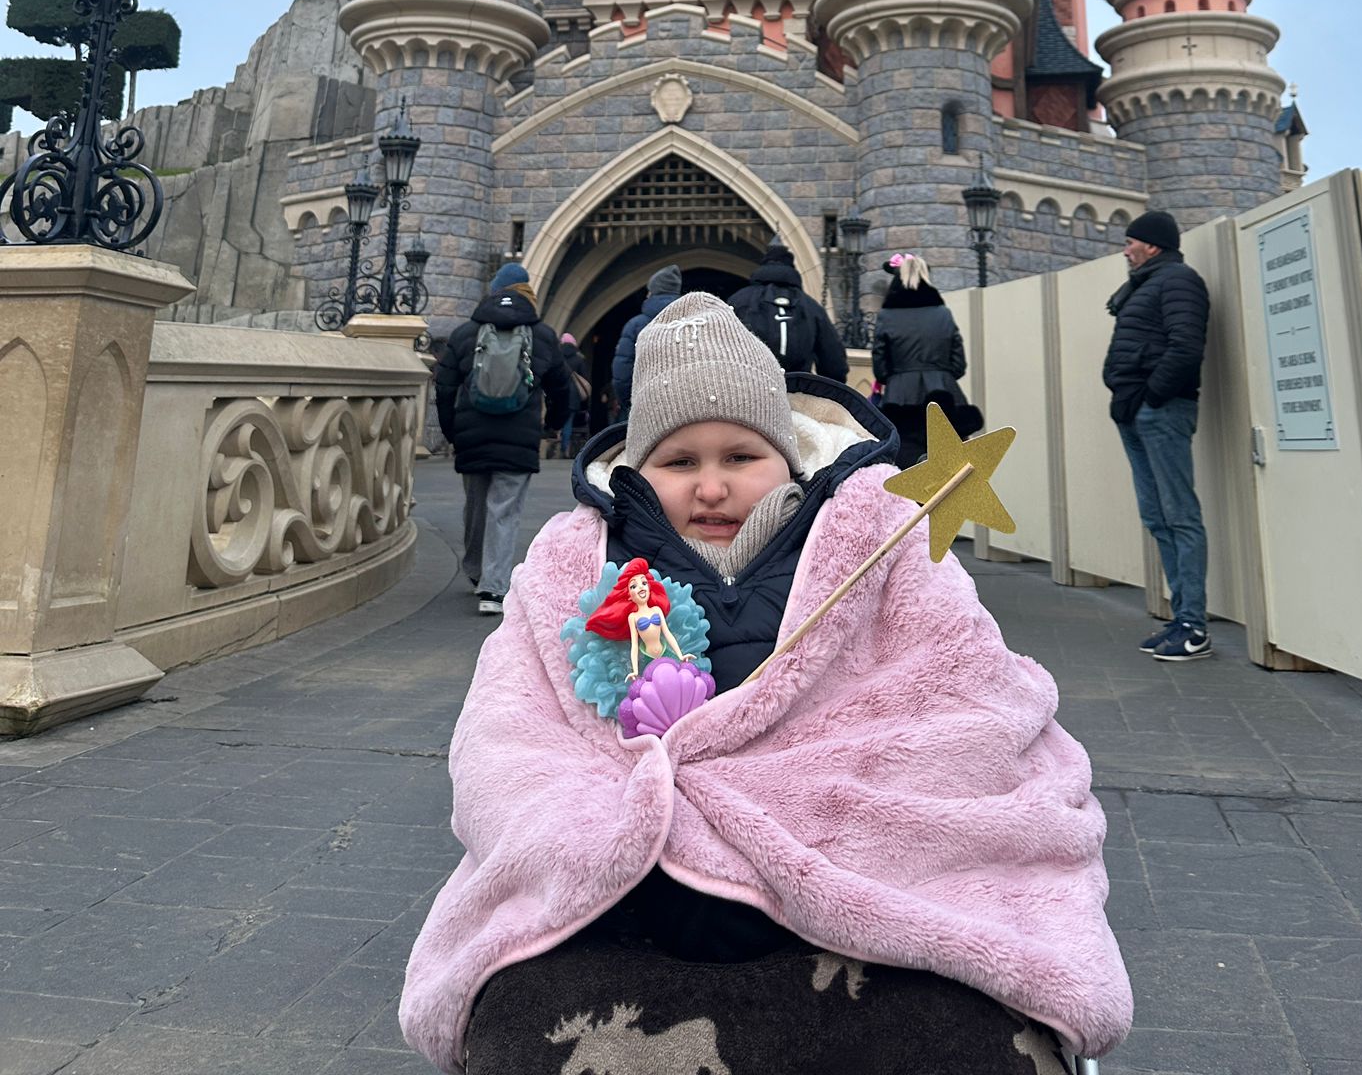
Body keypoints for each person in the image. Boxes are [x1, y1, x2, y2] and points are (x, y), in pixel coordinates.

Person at [400, 292, 1133, 1075]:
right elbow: (511, 729)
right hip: (635, 903)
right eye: (680, 462)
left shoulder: (878, 544)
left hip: (851, 889)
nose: (711, 487)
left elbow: (965, 697)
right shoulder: (575, 564)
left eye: (740, 457)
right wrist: (620, 825)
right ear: (638, 468)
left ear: (787, 456)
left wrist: (788, 813)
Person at [434, 261, 574, 618]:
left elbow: (444, 386)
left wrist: (452, 431)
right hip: (518, 436)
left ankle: (475, 569)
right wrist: (553, 425)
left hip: (472, 435)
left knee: (476, 506)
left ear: (494, 290)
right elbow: (563, 389)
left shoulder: (466, 333)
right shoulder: (542, 335)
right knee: (504, 510)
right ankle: (493, 588)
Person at [1103, 210, 1212, 662]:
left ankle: (1194, 626)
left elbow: (1186, 346)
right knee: (1157, 516)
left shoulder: (1179, 281)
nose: (1125, 250)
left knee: (1179, 514)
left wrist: (1152, 396)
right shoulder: (1146, 285)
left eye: (1131, 242)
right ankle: (1181, 617)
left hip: (1160, 411)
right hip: (1134, 410)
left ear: (1152, 245)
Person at [870, 252, 973, 468]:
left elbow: (880, 368)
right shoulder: (942, 313)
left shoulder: (887, 316)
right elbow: (959, 364)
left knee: (905, 468)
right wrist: (939, 373)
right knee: (952, 466)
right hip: (944, 394)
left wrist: (898, 376)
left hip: (900, 398)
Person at [728, 237, 849, 381]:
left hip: (752, 385)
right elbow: (834, 364)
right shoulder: (811, 307)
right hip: (796, 388)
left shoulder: (739, 301)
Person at [611, 262, 680, 415]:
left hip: (644, 405)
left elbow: (623, 372)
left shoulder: (636, 325)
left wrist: (629, 405)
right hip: (681, 406)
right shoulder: (691, 323)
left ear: (651, 292)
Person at [557, 333, 591, 459]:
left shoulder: (558, 357)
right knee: (568, 422)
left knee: (558, 418)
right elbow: (585, 377)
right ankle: (564, 448)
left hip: (559, 392)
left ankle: (556, 441)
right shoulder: (578, 359)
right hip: (573, 396)